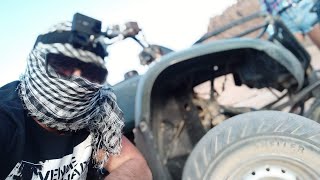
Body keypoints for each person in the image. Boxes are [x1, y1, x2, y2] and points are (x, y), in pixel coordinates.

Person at [0, 14, 152, 179]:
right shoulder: (6, 118)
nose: (78, 78)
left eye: (91, 72)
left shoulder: (96, 115)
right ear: (38, 61)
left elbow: (134, 163)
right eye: (63, 65)